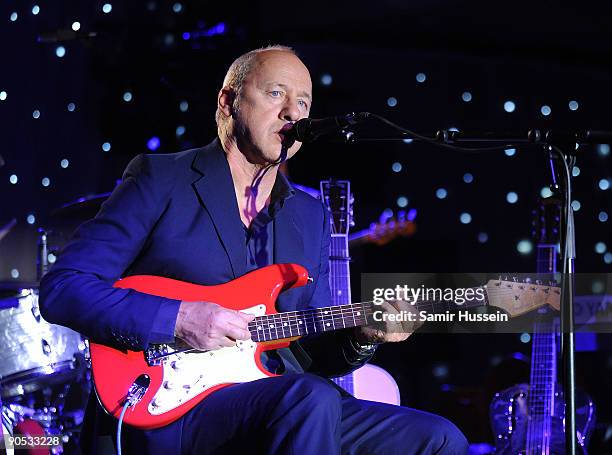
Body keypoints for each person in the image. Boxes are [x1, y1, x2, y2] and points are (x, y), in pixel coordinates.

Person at [39, 45, 468, 454]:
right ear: (228, 102)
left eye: (303, 103)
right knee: (309, 399)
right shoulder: (161, 178)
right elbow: (64, 288)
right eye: (276, 93)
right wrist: (178, 319)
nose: (292, 112)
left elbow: (309, 353)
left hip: (283, 397)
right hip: (173, 405)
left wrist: (362, 335)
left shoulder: (310, 216)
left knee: (438, 438)